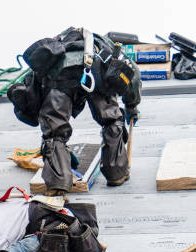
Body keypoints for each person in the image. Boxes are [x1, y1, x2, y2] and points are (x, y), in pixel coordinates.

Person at [8, 27, 142, 195]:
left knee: (54, 133)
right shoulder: (103, 46)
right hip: (96, 73)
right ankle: (116, 173)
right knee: (111, 120)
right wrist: (132, 106)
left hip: (60, 80)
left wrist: (57, 150)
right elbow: (133, 74)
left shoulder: (52, 51)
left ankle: (57, 183)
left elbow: (34, 94)